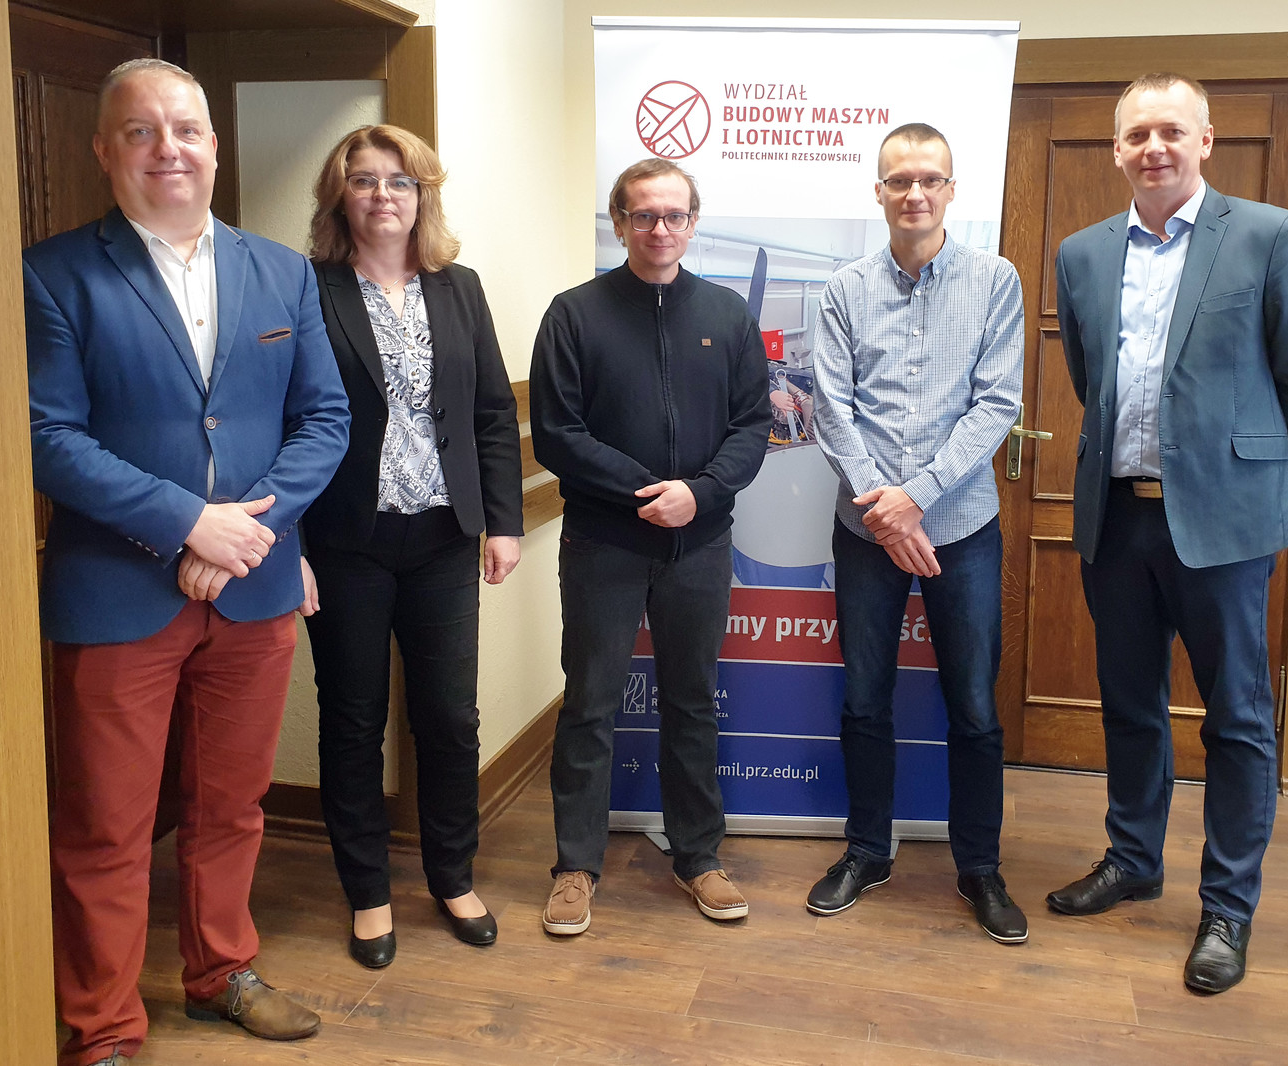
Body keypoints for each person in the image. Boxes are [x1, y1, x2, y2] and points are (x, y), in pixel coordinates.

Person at [25, 59, 349, 1066]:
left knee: (231, 807)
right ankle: (103, 1027)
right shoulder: (52, 274)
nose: (168, 148)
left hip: (252, 591)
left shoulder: (281, 272)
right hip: (117, 592)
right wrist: (185, 525)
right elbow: (47, 435)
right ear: (105, 150)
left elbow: (323, 420)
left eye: (186, 129)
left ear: (214, 145)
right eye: (141, 131)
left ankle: (220, 972)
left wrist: (246, 533)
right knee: (106, 826)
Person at [1048, 72, 1288, 993]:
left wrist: (1245, 469)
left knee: (1238, 719)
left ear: (1205, 140)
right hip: (1118, 518)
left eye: (1172, 131)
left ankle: (1228, 907)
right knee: (1130, 705)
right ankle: (1134, 860)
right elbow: (1090, 378)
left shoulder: (1268, 235)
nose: (1154, 148)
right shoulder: (1082, 253)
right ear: (1117, 149)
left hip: (1224, 524)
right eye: (1137, 134)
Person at [299, 124, 523, 969]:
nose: (383, 195)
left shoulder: (459, 288)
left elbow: (492, 412)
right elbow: (285, 418)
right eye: (364, 180)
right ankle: (368, 893)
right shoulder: (308, 288)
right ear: (340, 196)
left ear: (423, 195)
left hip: (442, 538)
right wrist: (288, 544)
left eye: (400, 181)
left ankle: (453, 877)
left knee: (450, 719)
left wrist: (504, 521)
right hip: (345, 541)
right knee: (354, 720)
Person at [530, 158, 770, 935]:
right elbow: (558, 434)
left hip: (699, 544)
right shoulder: (574, 315)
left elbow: (752, 426)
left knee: (692, 702)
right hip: (604, 542)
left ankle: (699, 857)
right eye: (643, 215)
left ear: (693, 223)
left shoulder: (728, 316)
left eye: (674, 215)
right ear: (620, 222)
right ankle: (575, 867)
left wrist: (698, 493)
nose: (659, 229)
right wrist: (647, 492)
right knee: (590, 704)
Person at [807, 124, 1028, 943]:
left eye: (930, 179)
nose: (915, 193)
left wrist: (918, 499)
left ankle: (980, 866)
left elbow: (997, 403)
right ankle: (868, 851)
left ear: (951, 190)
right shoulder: (844, 289)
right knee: (865, 698)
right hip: (866, 530)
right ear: (878, 192)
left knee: (972, 703)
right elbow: (832, 408)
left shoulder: (995, 281)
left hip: (962, 526)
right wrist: (884, 507)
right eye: (899, 180)